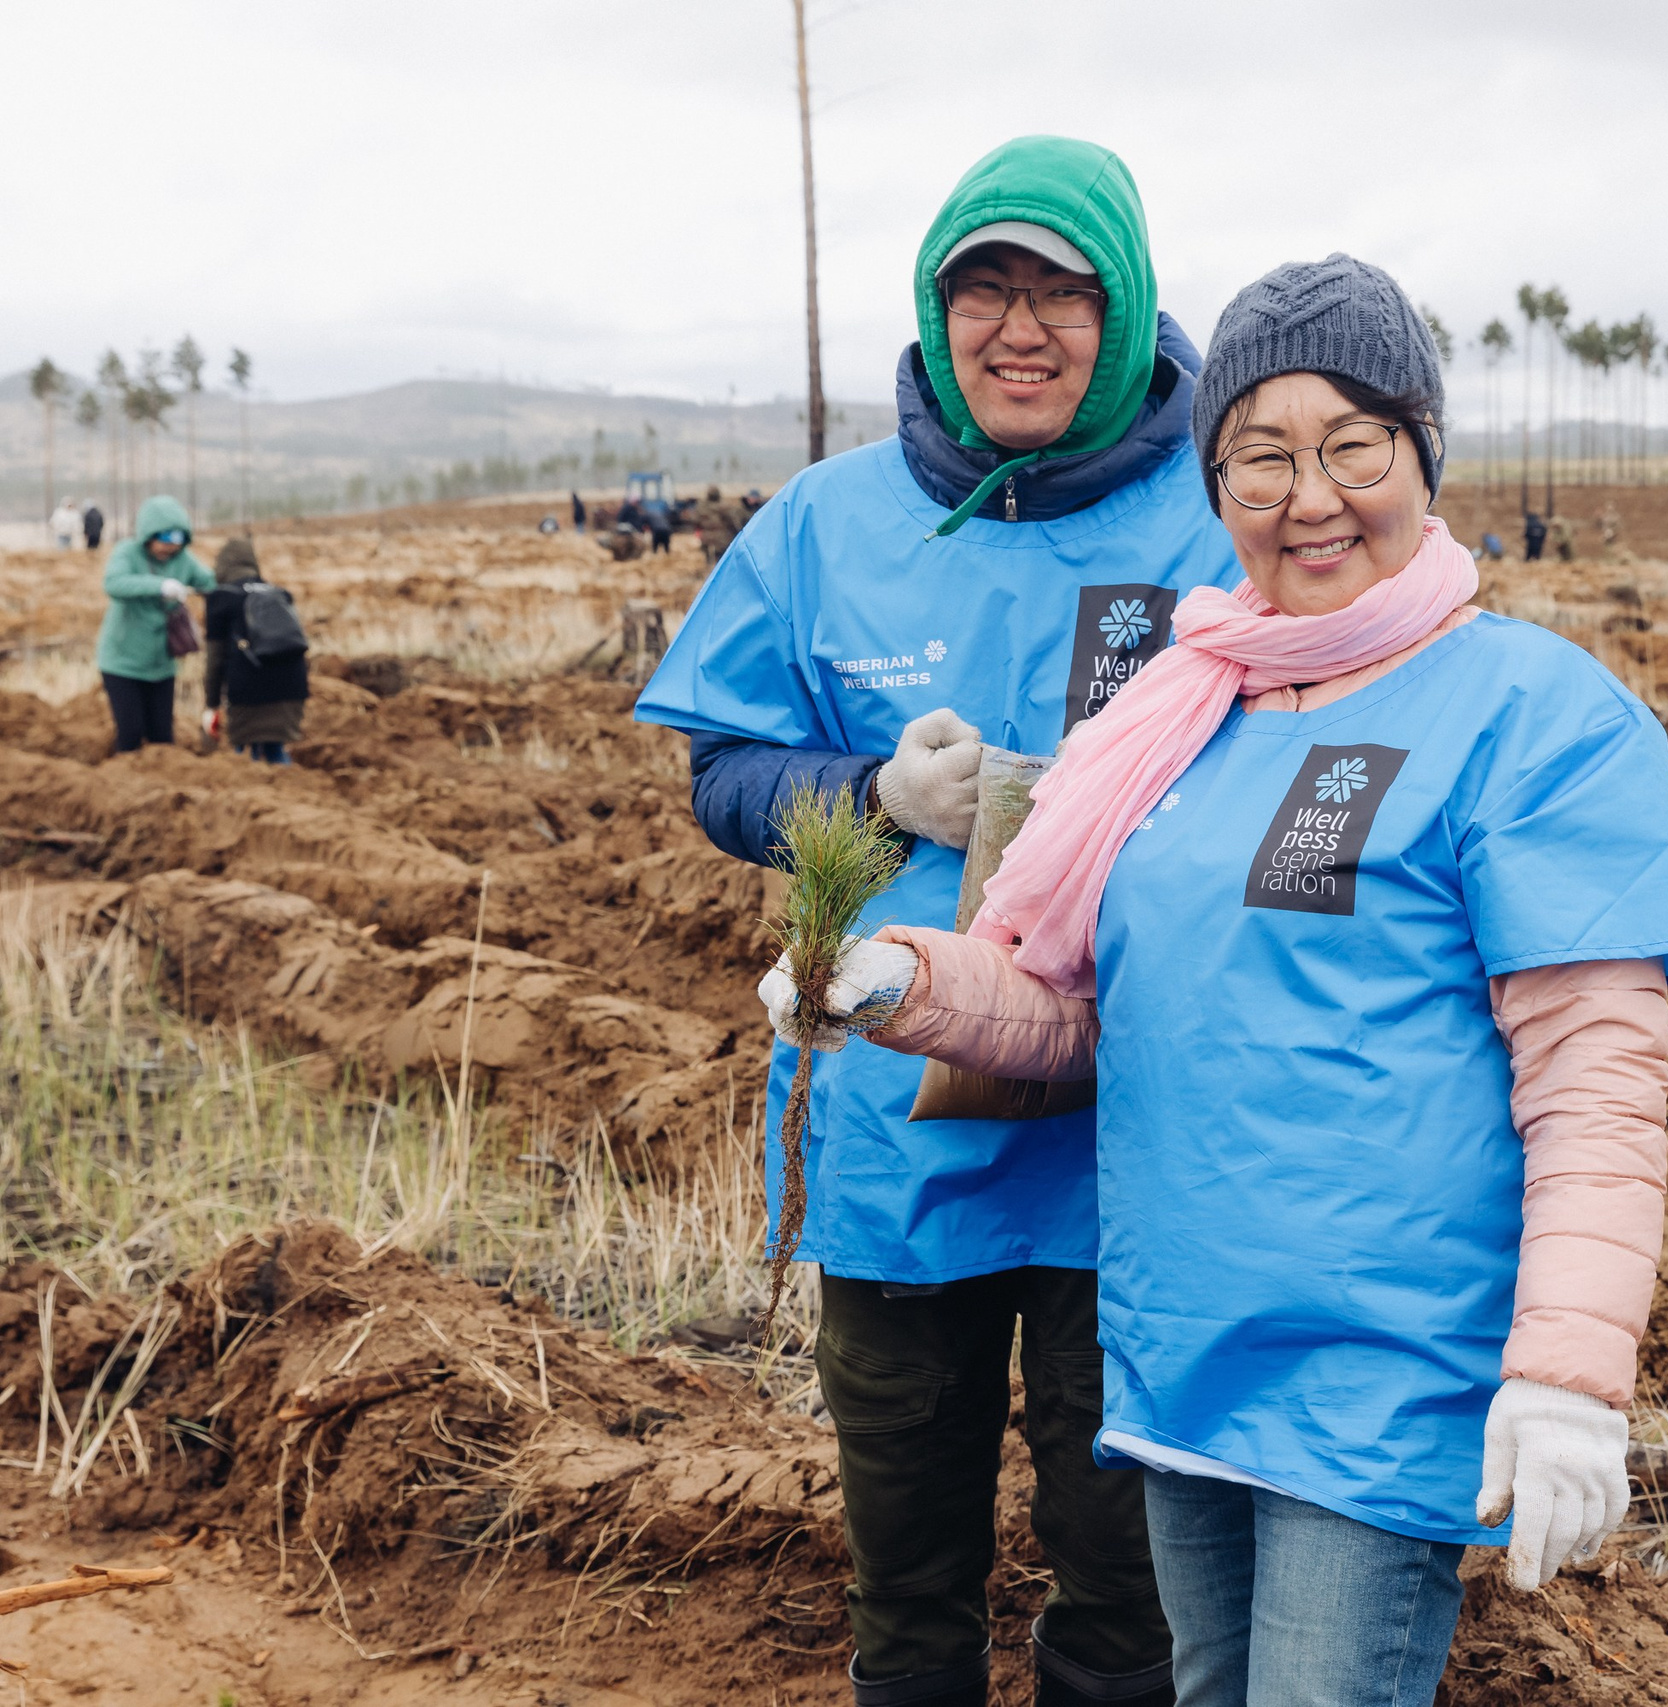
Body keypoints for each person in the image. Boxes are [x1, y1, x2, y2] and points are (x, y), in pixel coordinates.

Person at [770, 255, 1668, 1707]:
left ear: (1425, 450)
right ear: (1217, 487)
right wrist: (894, 979)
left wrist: (1569, 1375)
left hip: (1376, 1376)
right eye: (1261, 456)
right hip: (1187, 1358)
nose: (1308, 497)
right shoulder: (1186, 713)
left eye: (1353, 446)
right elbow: (1089, 1012)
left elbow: (1594, 1084)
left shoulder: (1537, 716)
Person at [636, 135, 1247, 1707]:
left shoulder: (1221, 518)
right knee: (906, 1557)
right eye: (986, 288)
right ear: (935, 307)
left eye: (1064, 291)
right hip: (897, 1118)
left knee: (1129, 1559)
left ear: (1127, 309)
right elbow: (724, 774)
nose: (1020, 328)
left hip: (1138, 1124)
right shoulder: (824, 526)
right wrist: (872, 796)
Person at [96, 496, 214, 755]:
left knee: (162, 737)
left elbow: (210, 582)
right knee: (130, 734)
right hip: (123, 663)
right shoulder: (127, 553)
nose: (169, 548)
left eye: (176, 540)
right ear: (147, 535)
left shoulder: (183, 560)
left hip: (161, 666)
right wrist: (159, 586)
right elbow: (114, 583)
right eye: (163, 539)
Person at [200, 536, 309, 764]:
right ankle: (285, 781)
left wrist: (211, 704)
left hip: (247, 691)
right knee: (276, 750)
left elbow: (214, 659)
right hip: (292, 687)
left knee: (243, 758)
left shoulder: (221, 598)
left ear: (222, 566)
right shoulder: (279, 593)